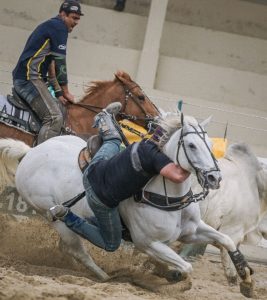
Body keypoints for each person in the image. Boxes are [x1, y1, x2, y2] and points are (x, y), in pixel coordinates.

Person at [48, 102, 190, 252]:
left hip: (96, 166)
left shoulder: (149, 141)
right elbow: (178, 176)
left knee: (113, 140)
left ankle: (105, 119)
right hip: (100, 196)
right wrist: (193, 165)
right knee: (111, 244)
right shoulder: (157, 159)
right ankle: (67, 217)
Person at [12, 0, 84, 144]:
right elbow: (60, 62)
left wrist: (59, 93)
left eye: (78, 18)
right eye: (74, 18)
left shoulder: (53, 26)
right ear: (62, 14)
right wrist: (67, 91)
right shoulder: (59, 27)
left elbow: (51, 65)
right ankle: (39, 160)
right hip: (29, 79)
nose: (76, 22)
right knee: (54, 118)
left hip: (30, 78)